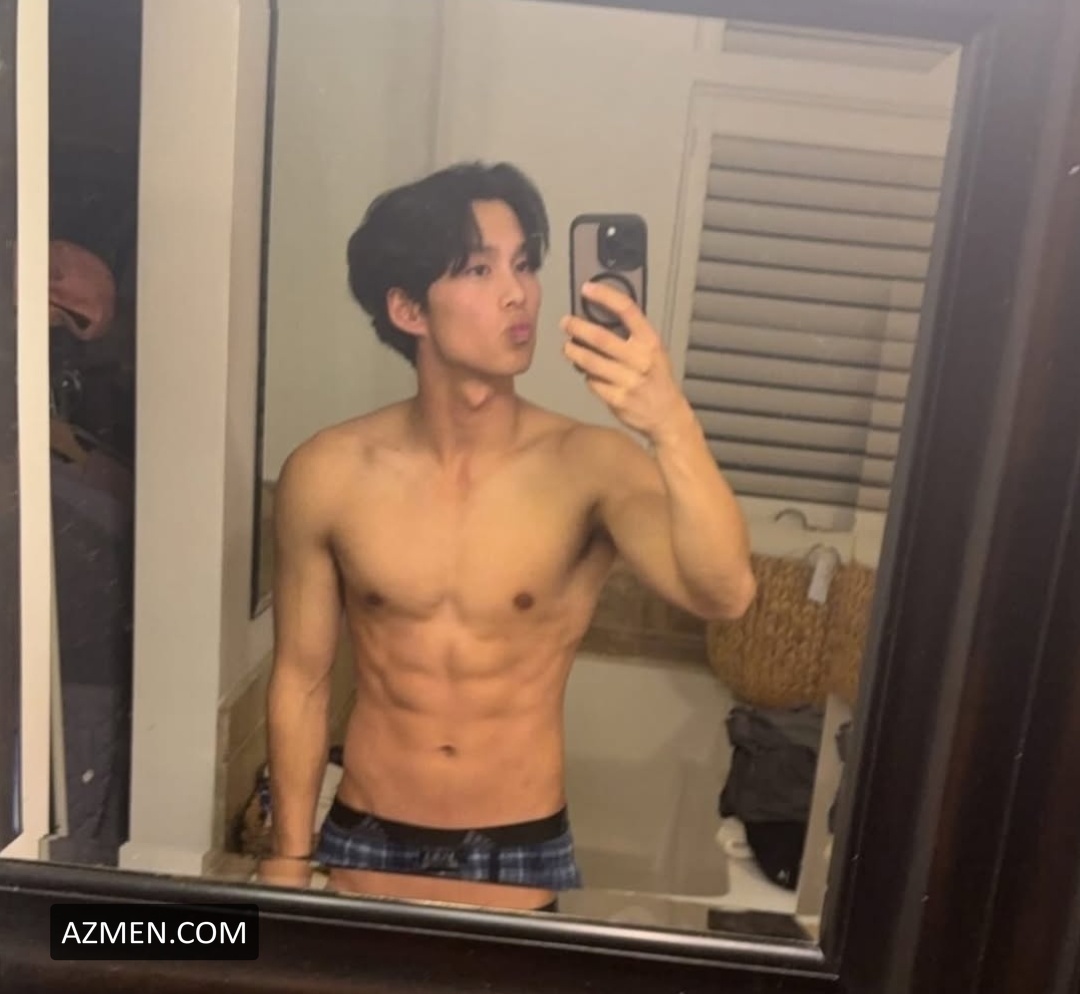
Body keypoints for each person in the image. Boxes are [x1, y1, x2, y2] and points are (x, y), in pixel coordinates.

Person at [259, 162, 755, 912]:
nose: (518, 292)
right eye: (479, 269)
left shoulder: (591, 465)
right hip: (365, 836)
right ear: (408, 308)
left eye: (524, 263)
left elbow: (726, 595)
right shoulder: (328, 473)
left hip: (518, 849)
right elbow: (301, 680)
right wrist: (287, 862)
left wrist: (670, 423)